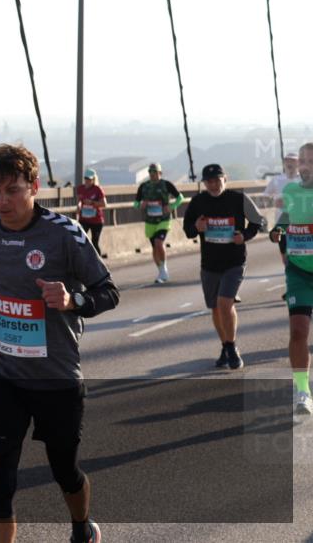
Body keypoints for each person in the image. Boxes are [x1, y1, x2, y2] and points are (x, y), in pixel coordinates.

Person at [0, 144, 118, 543]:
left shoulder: (64, 234)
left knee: (64, 470)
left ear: (34, 187)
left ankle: (81, 525)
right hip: (4, 372)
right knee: (0, 478)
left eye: (12, 190)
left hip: (56, 375)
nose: (2, 200)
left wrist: (72, 300)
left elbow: (108, 292)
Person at [182, 163, 265, 370]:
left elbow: (258, 222)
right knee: (216, 309)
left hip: (234, 262)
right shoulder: (198, 201)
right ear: (204, 183)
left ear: (225, 179)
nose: (213, 185)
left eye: (217, 180)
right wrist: (196, 227)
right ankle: (225, 346)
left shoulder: (238, 199)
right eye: (209, 181)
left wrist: (244, 236)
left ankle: (231, 347)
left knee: (225, 303)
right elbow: (187, 230)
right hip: (209, 264)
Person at [269, 143, 313, 420]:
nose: (306, 165)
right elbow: (287, 219)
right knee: (298, 332)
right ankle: (302, 391)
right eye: (304, 161)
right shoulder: (290, 190)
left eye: (311, 161)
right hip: (298, 271)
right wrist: (278, 232)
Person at [134, 162, 184, 283]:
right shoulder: (143, 186)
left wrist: (172, 206)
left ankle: (164, 269)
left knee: (159, 243)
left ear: (160, 173)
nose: (152, 174)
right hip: (150, 221)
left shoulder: (166, 184)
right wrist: (141, 205)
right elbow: (135, 204)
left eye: (155, 172)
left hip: (164, 220)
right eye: (150, 172)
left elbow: (180, 197)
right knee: (154, 248)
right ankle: (161, 271)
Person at [266, 152, 301, 271]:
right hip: (282, 223)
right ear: (284, 163)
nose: (290, 163)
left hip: (302, 223)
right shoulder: (276, 180)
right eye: (287, 160)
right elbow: (265, 198)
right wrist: (274, 202)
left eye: (293, 161)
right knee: (285, 256)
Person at [75, 169, 107, 256]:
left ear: (93, 179)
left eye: (89, 179)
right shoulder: (80, 188)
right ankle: (82, 261)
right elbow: (79, 201)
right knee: (80, 241)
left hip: (96, 220)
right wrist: (79, 205)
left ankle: (99, 262)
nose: (87, 181)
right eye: (86, 178)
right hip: (84, 219)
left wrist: (92, 202)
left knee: (94, 242)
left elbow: (104, 204)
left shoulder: (98, 189)